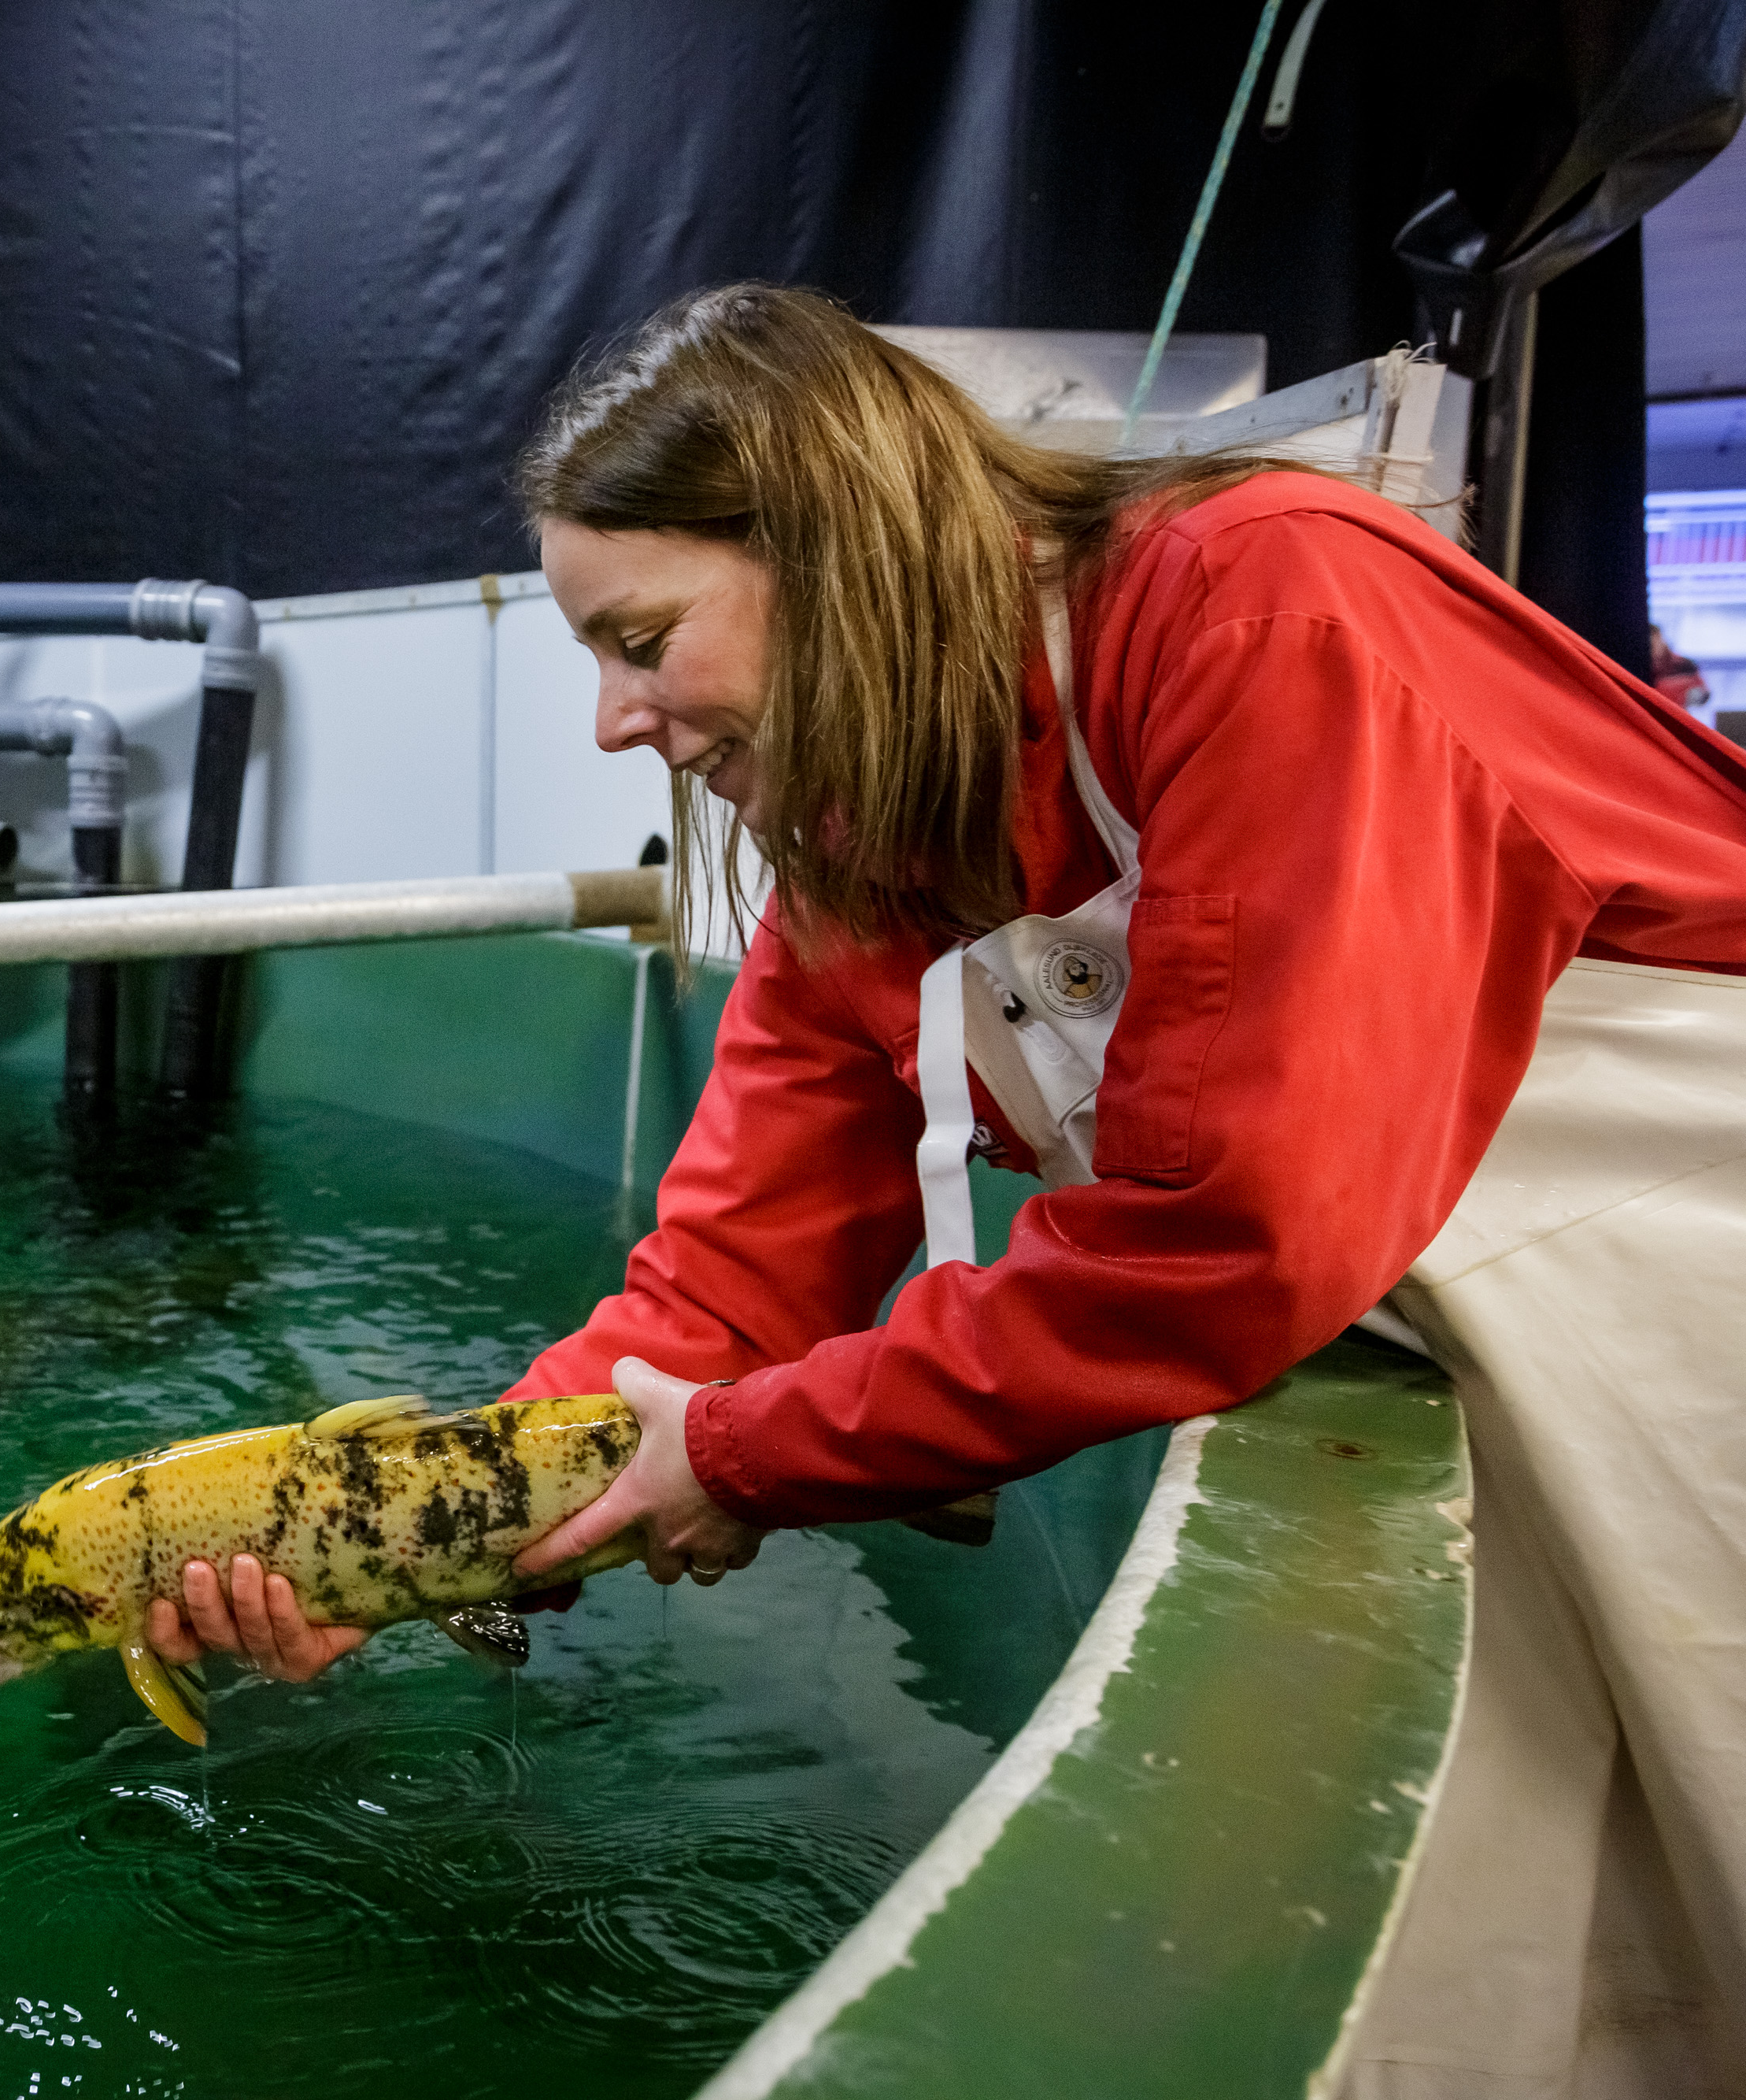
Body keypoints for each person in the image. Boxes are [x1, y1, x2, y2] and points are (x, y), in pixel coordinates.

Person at [147, 283, 1746, 2088]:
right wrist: (382, 1543)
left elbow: (1222, 1239)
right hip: (1514, 1360)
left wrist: (746, 1447)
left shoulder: (1263, 599)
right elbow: (710, 1299)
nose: (610, 720)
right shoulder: (860, 849)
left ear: (836, 552)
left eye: (642, 638)